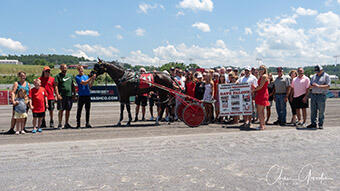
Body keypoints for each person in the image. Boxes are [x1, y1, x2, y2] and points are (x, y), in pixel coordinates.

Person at [307, 65, 330, 129]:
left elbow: (328, 86)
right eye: (316, 71)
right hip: (313, 94)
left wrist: (318, 86)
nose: (317, 72)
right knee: (313, 110)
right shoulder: (314, 76)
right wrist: (311, 86)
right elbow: (310, 85)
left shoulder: (326, 76)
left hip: (321, 95)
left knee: (321, 111)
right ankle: (313, 123)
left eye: (318, 71)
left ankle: (320, 124)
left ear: (322, 70)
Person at [55, 64, 76, 129]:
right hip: (61, 96)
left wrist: (74, 94)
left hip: (69, 95)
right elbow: (55, 86)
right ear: (60, 69)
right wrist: (57, 94)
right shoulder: (57, 76)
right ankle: (60, 123)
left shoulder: (70, 76)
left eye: (65, 68)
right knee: (61, 110)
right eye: (63, 68)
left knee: (68, 110)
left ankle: (66, 123)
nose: (64, 69)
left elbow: (73, 85)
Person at [254, 65, 270, 130]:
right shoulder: (262, 76)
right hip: (261, 93)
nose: (260, 70)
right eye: (260, 68)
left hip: (262, 94)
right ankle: (262, 124)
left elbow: (261, 86)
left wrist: (253, 90)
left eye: (262, 69)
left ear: (265, 70)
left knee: (260, 111)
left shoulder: (264, 76)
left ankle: (261, 125)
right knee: (261, 111)